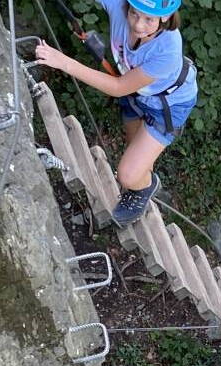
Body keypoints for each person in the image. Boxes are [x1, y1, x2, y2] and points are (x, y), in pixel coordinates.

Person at [35, 0, 198, 227]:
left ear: (164, 17)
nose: (138, 25)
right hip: (139, 93)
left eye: (148, 19)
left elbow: (119, 87)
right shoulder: (118, 5)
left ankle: (144, 187)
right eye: (134, 13)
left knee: (128, 176)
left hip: (168, 105)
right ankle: (143, 179)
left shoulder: (168, 50)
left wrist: (63, 62)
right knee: (135, 152)